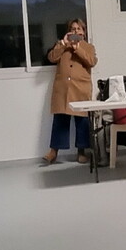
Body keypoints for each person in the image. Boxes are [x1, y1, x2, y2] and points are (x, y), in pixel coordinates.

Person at [43, 18, 97, 165]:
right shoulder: (61, 45)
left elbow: (91, 61)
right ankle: (53, 152)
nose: (75, 31)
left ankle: (81, 152)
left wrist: (77, 48)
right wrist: (63, 44)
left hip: (80, 89)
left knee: (82, 121)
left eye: (78, 29)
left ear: (83, 32)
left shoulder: (88, 47)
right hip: (63, 89)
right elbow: (51, 58)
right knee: (60, 120)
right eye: (73, 29)